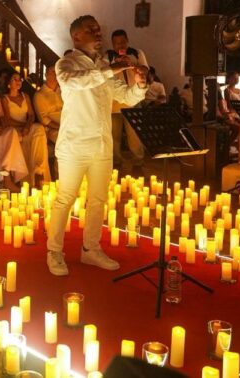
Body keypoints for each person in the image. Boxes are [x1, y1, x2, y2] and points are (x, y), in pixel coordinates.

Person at [46, 15, 147, 276]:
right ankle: (54, 251)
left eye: (98, 28)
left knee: (98, 200)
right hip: (74, 144)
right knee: (65, 199)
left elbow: (125, 97)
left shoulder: (104, 64)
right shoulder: (65, 64)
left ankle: (90, 249)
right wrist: (111, 70)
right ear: (76, 36)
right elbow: (77, 81)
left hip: (102, 144)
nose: (98, 32)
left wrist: (140, 85)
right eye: (91, 29)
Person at [107, 29, 148, 173]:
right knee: (114, 135)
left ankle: (138, 163)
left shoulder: (137, 53)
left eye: (123, 42)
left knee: (135, 135)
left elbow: (145, 70)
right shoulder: (108, 56)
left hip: (133, 99)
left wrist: (131, 65)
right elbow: (105, 74)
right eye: (117, 43)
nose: (120, 46)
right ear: (112, 44)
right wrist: (116, 65)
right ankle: (116, 163)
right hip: (114, 102)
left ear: (127, 40)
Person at [2, 71, 51, 187]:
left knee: (39, 129)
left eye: (20, 79)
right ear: (9, 83)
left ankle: (39, 170)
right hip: (15, 129)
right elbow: (7, 119)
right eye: (15, 79)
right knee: (23, 137)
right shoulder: (5, 99)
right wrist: (23, 127)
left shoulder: (25, 96)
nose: (18, 82)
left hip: (27, 127)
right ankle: (30, 178)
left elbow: (31, 115)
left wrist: (27, 126)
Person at [33, 65, 63, 143]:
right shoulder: (39, 95)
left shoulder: (63, 91)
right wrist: (60, 127)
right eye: (52, 72)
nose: (55, 74)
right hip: (53, 129)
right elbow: (44, 119)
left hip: (69, 124)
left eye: (56, 71)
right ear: (46, 75)